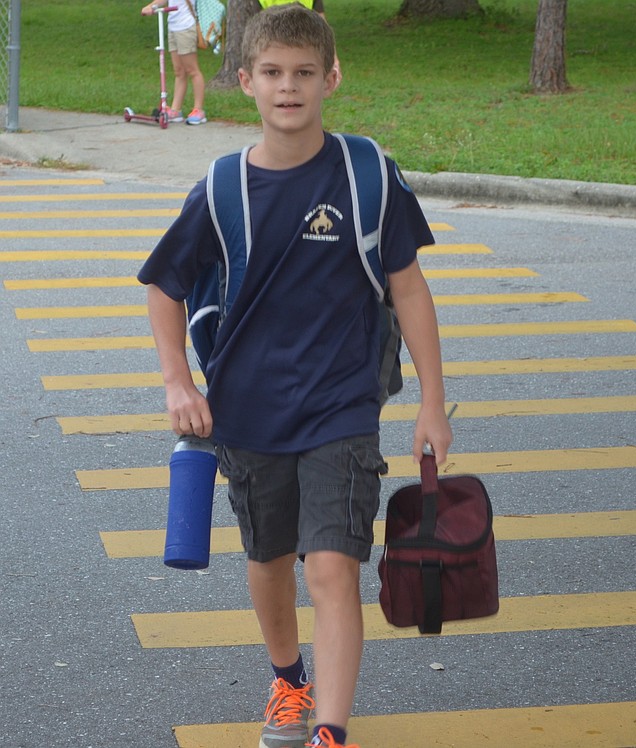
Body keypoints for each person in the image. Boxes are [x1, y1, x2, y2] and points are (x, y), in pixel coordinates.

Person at [137, 5, 452, 748]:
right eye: (273, 73)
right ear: (244, 81)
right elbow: (163, 287)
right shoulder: (220, 188)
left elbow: (409, 289)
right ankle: (288, 679)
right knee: (269, 561)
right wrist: (178, 382)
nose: (289, 88)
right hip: (244, 413)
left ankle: (329, 733)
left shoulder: (366, 173)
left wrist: (433, 403)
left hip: (342, 409)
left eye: (304, 74)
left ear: (331, 79)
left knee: (332, 569)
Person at [141, 0, 207, 125]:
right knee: (179, 71)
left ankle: (199, 109)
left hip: (186, 27)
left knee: (192, 70)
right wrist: (151, 6)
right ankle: (176, 110)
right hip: (173, 26)